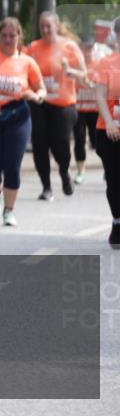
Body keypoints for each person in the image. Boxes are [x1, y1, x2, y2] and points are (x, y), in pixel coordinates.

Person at [0, 17, 47, 227]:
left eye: (12, 36)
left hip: (18, 116)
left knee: (12, 165)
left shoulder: (27, 62)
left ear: (19, 36)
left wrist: (37, 96)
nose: (8, 39)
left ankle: (9, 211)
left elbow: (41, 89)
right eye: (4, 35)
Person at [23, 11, 86, 200]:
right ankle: (46, 187)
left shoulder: (69, 47)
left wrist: (70, 71)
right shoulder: (34, 47)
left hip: (64, 104)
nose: (44, 30)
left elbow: (84, 75)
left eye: (48, 26)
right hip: (40, 102)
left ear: (56, 26)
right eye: (41, 26)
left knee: (60, 145)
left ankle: (65, 172)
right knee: (40, 144)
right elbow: (21, 67)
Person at [91, 18, 120, 248]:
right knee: (114, 180)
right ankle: (117, 221)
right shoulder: (106, 64)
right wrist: (110, 122)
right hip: (110, 132)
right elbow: (100, 95)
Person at [74, 35, 100, 185]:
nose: (87, 52)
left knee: (97, 142)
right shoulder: (76, 66)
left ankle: (107, 168)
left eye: (90, 48)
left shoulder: (99, 65)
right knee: (79, 139)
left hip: (95, 109)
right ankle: (80, 171)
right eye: (84, 48)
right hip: (79, 109)